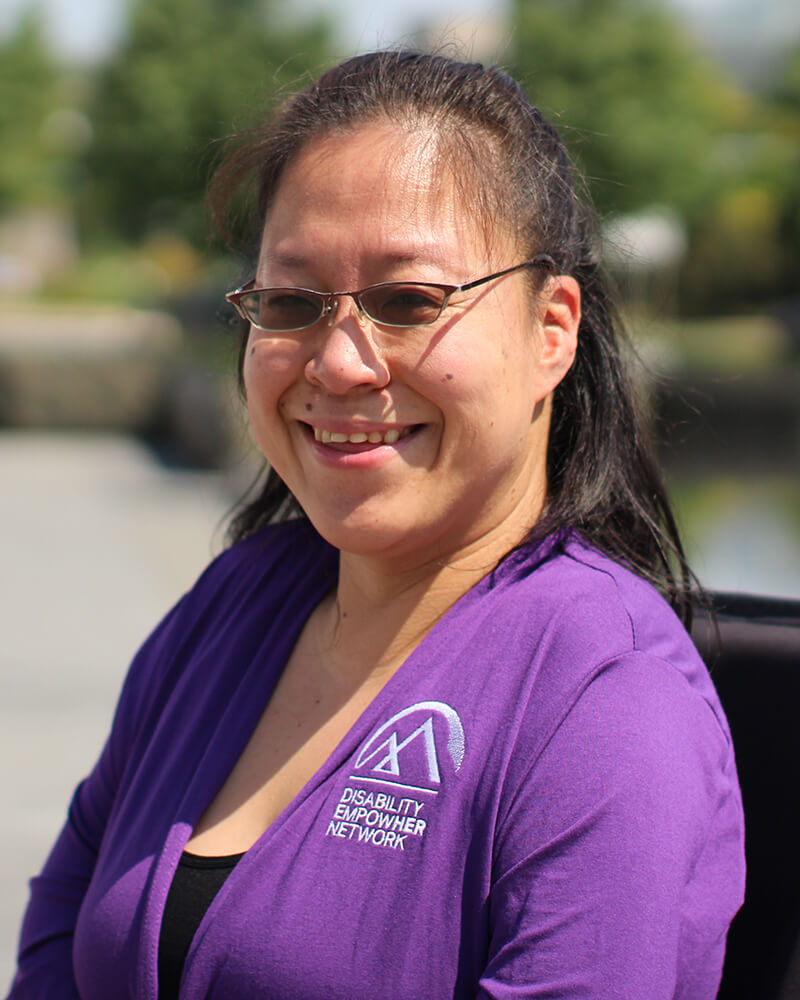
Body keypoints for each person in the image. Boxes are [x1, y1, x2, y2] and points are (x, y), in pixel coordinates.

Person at [8, 51, 744, 1000]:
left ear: (551, 328)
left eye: (408, 302)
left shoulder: (605, 702)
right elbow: (56, 956)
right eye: (292, 302)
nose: (342, 363)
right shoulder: (230, 607)